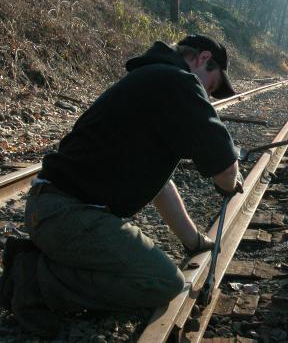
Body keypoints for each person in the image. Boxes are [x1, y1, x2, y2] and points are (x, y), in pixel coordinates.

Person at [0, 34, 244, 337]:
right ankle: (34, 281)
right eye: (212, 85)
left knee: (152, 274)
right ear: (202, 58)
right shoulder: (176, 81)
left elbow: (158, 184)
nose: (210, 94)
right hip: (67, 215)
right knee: (162, 282)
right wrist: (232, 178)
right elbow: (224, 171)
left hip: (54, 211)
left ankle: (47, 267)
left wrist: (193, 241)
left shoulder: (151, 79)